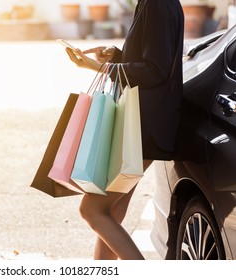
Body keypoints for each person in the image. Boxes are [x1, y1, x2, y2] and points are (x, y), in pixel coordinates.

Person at [65, 0, 184, 260]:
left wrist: (98, 67)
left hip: (144, 128)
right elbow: (151, 60)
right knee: (111, 212)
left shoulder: (156, 4)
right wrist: (117, 55)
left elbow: (156, 71)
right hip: (142, 125)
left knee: (92, 210)